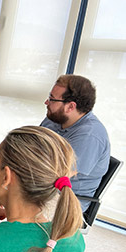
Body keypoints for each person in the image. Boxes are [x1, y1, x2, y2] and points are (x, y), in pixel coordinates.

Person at [41, 74, 110, 211]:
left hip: (66, 201)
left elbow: (58, 175)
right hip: (44, 187)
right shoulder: (55, 118)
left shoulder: (90, 135)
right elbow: (30, 147)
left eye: (52, 99)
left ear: (70, 107)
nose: (46, 102)